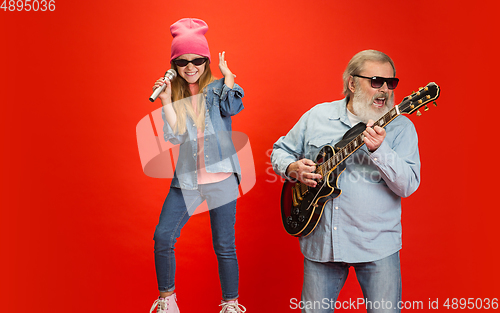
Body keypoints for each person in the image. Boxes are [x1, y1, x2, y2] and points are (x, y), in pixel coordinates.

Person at [271, 50, 421, 312]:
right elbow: (279, 151)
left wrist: (379, 151)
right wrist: (293, 168)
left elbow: (407, 185)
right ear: (352, 83)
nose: (384, 90)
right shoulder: (317, 117)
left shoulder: (401, 128)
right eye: (376, 81)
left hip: (377, 246)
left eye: (390, 83)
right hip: (322, 244)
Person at [149, 18, 246, 313]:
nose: (190, 67)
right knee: (163, 235)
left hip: (222, 180)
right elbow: (176, 135)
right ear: (174, 65)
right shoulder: (176, 93)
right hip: (187, 181)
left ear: (206, 60)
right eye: (182, 62)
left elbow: (233, 107)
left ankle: (230, 304)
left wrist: (228, 77)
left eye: (197, 60)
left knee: (224, 246)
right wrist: (166, 99)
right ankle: (168, 301)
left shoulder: (218, 89)